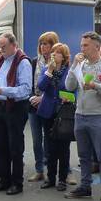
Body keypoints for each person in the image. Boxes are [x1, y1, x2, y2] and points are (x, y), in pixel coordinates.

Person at [65, 32, 101, 201]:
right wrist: (73, 66)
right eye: (82, 45)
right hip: (80, 115)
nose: (82, 48)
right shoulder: (80, 64)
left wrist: (96, 86)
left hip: (99, 116)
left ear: (97, 47)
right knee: (83, 156)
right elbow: (69, 87)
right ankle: (85, 186)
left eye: (85, 46)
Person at [0, 33, 32, 195]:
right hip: (0, 106)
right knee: (0, 146)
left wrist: (3, 90)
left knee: (15, 147)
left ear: (14, 45)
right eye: (0, 46)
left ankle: (17, 182)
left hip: (15, 107)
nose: (1, 49)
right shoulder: (1, 61)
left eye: (4, 46)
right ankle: (4, 179)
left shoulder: (23, 62)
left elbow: (26, 90)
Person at [37, 43, 73, 191]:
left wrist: (70, 97)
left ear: (64, 57)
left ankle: (63, 179)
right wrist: (50, 70)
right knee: (50, 147)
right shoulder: (46, 69)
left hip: (63, 112)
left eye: (57, 53)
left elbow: (74, 89)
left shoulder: (69, 71)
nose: (53, 55)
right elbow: (41, 86)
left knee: (63, 148)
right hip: (48, 112)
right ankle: (50, 178)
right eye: (52, 52)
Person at [28, 32, 59, 183]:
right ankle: (39, 169)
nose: (42, 47)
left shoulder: (58, 62)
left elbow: (58, 86)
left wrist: (43, 98)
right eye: (41, 44)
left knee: (50, 139)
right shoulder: (35, 61)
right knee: (36, 140)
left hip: (49, 105)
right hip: (34, 105)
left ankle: (55, 171)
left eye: (46, 43)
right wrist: (33, 97)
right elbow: (29, 84)